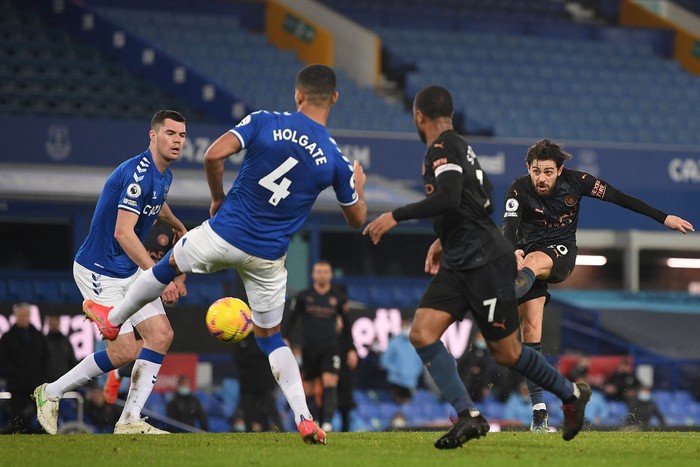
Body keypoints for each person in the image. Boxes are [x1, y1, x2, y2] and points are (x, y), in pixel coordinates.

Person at [82, 64, 368, 445]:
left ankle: (113, 320)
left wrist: (217, 198)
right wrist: (358, 186)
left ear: (297, 95)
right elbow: (356, 219)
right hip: (269, 257)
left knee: (166, 267)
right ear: (334, 98)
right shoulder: (335, 158)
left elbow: (213, 157)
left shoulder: (265, 121)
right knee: (271, 338)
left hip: (223, 234)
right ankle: (304, 417)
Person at [363, 85, 590, 449]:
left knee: (508, 353)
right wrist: (444, 238)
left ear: (419, 117)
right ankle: (468, 416)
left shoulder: (441, 149)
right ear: (449, 115)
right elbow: (478, 203)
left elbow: (450, 197)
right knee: (421, 333)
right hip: (460, 259)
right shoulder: (463, 149)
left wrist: (395, 215)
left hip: (483, 261)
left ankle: (571, 395)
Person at [502, 138, 694, 433]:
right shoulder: (517, 189)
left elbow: (621, 198)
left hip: (559, 254)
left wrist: (663, 217)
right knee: (531, 333)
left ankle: (494, 299)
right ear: (528, 167)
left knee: (531, 263)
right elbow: (509, 226)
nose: (541, 178)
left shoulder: (579, 181)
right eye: (536, 171)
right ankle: (539, 413)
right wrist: (512, 248)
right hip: (527, 262)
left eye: (548, 172)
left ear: (560, 169)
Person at [33, 110, 189, 435]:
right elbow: (123, 233)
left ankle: (130, 420)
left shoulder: (164, 176)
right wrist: (161, 275)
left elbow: (155, 204)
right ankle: (50, 393)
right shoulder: (137, 173)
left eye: (182, 135)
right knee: (124, 352)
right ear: (153, 135)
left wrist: (175, 224)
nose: (177, 140)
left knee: (161, 336)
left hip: (127, 269)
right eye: (170, 133)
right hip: (98, 270)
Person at [103, 221, 188, 405]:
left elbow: (181, 261)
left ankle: (122, 385)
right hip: (127, 286)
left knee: (158, 340)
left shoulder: (169, 230)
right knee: (126, 350)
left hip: (155, 291)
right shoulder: (129, 225)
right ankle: (117, 374)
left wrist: (179, 281)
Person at [282, 259, 351, 432]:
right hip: (310, 347)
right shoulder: (304, 296)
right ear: (313, 275)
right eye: (318, 271)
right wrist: (284, 337)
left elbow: (348, 326)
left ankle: (327, 422)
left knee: (330, 382)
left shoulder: (339, 297)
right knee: (310, 388)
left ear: (330, 275)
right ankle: (313, 422)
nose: (322, 275)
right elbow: (291, 319)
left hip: (330, 346)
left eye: (325, 272)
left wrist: (351, 349)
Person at [0, 303, 48, 434]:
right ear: (15, 317)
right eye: (20, 315)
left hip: (35, 383)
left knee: (40, 413)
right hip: (17, 384)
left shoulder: (38, 336)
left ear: (29, 316)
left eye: (25, 315)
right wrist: (14, 374)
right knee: (16, 413)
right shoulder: (8, 338)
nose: (23, 318)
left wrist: (41, 377)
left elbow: (45, 359)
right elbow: (3, 361)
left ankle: (42, 433)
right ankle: (17, 433)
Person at [231, 332, 282, 432]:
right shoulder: (240, 338)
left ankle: (281, 431)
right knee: (247, 411)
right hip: (247, 384)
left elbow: (270, 355)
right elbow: (237, 358)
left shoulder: (264, 336)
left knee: (270, 410)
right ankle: (249, 432)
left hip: (265, 383)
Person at [379, 319, 424, 404]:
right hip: (396, 381)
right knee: (396, 406)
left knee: (408, 408)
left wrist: (413, 373)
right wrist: (397, 370)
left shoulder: (415, 344)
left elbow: (420, 362)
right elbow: (384, 360)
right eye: (404, 326)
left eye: (407, 326)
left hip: (411, 382)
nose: (405, 328)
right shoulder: (394, 342)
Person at [44, 314, 78, 383]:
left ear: (59, 322)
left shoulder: (65, 342)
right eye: (51, 321)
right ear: (48, 324)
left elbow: (71, 361)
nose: (53, 323)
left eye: (55, 321)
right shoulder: (43, 342)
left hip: (64, 380)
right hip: (48, 381)